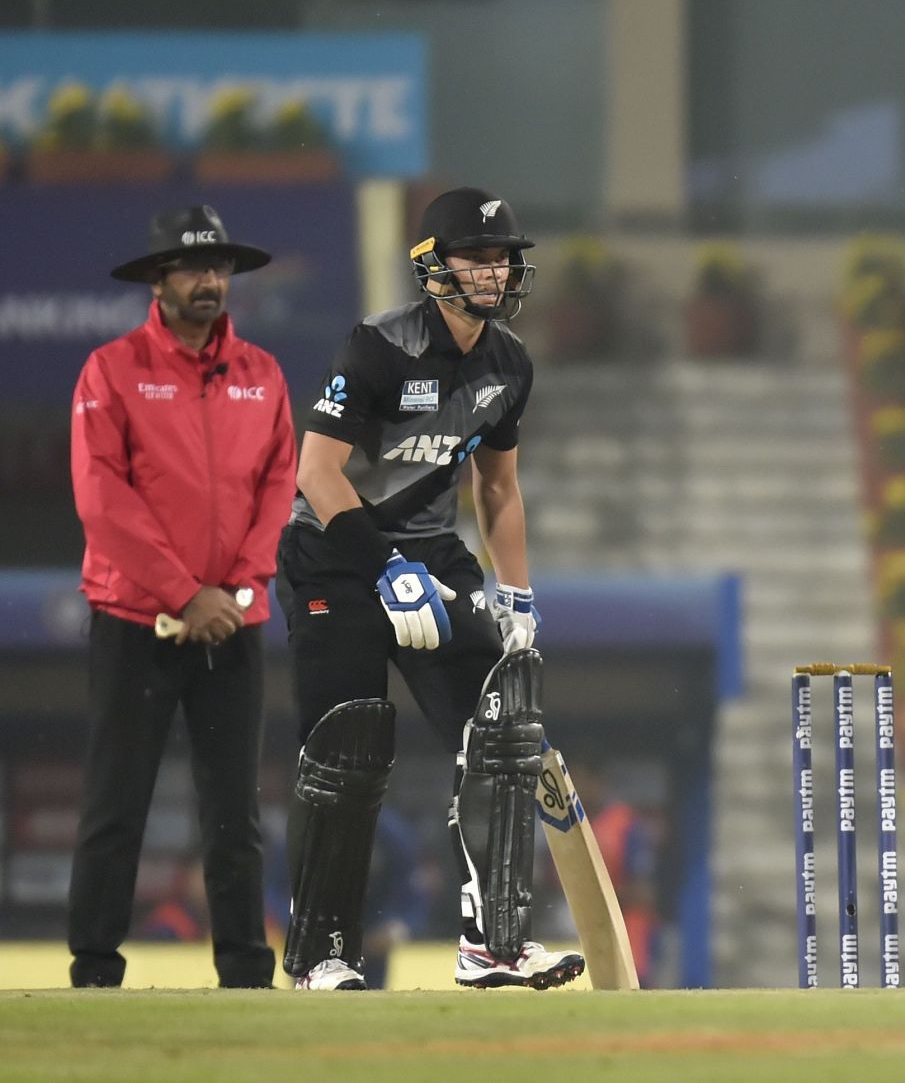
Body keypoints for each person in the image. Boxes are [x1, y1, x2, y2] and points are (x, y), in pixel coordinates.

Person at [274, 186, 583, 991]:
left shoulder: (509, 361)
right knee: (347, 745)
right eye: (476, 257)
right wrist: (384, 567)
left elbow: (500, 490)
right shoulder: (378, 346)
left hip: (432, 552)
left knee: (505, 720)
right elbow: (316, 473)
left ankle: (495, 945)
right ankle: (320, 954)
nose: (494, 271)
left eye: (502, 256)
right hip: (336, 557)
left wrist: (515, 597)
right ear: (433, 266)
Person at [67, 206, 294, 989]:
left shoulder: (262, 374)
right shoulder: (111, 369)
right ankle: (95, 968)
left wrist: (236, 588)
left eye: (221, 268)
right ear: (158, 279)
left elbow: (278, 488)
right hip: (135, 619)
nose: (211, 281)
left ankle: (245, 970)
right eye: (195, 268)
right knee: (114, 804)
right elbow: (103, 500)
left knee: (236, 813)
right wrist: (185, 592)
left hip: (232, 620)